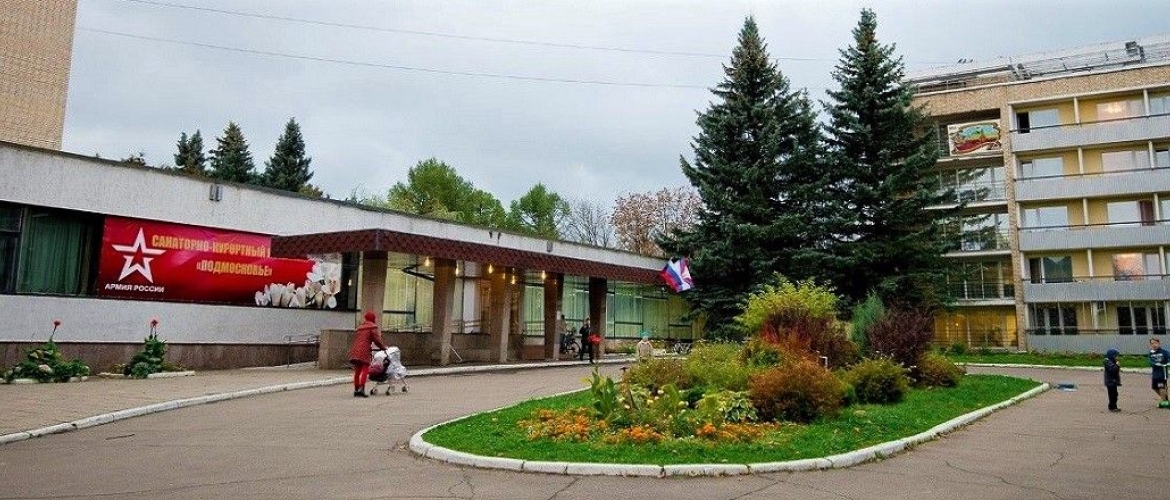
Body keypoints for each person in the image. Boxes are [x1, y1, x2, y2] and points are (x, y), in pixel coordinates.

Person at [349, 311, 388, 398]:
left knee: (357, 370)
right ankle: (361, 389)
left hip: (355, 349)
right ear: (373, 318)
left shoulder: (360, 327)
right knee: (365, 369)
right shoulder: (372, 327)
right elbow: (377, 340)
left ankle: (356, 389)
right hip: (364, 350)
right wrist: (383, 347)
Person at [1149, 338, 1170, 408]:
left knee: (1161, 387)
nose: (1154, 345)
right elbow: (1150, 361)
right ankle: (1166, 399)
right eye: (1152, 343)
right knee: (1154, 387)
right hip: (1155, 374)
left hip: (1162, 374)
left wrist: (1168, 363)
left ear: (1159, 343)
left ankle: (1164, 402)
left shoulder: (1164, 352)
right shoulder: (1151, 353)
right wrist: (1155, 364)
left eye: (1155, 343)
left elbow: (1169, 358)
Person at [1104, 348, 1121, 412]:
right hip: (1110, 382)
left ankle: (1114, 406)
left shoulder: (1112, 362)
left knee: (1115, 394)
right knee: (1112, 395)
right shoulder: (1108, 362)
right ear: (1112, 356)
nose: (1117, 357)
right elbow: (1112, 371)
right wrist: (1117, 366)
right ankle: (1111, 407)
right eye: (1116, 356)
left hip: (1113, 381)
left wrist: (1117, 366)